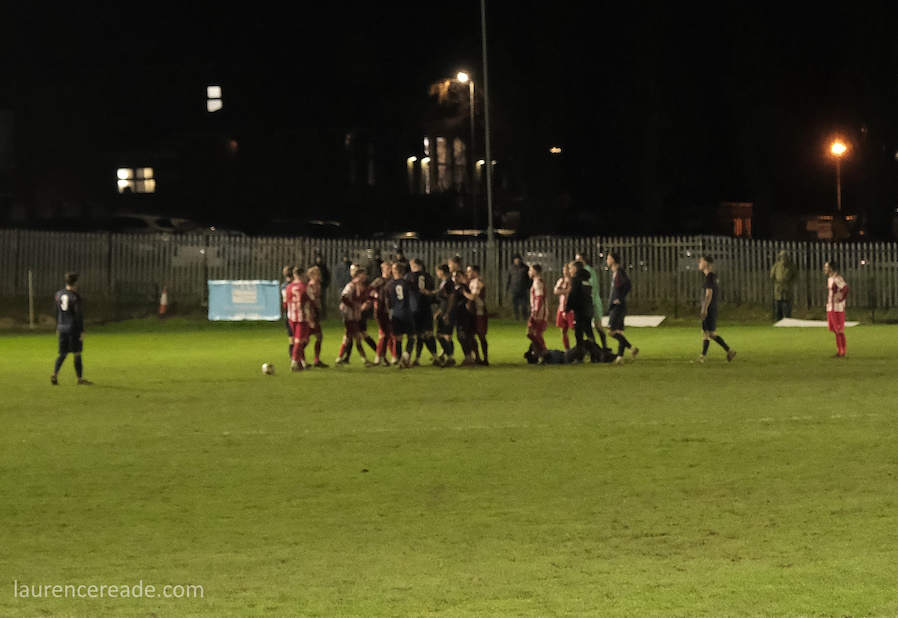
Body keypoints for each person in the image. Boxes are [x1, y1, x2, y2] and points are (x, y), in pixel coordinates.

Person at [51, 272, 91, 385]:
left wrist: (58, 325)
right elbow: (78, 314)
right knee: (77, 353)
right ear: (76, 282)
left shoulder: (58, 294)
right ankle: (79, 379)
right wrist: (82, 330)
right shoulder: (75, 296)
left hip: (61, 327)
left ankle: (55, 374)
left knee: (62, 353)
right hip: (73, 327)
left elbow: (56, 311)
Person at [697, 255, 736, 363]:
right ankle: (729, 351)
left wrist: (704, 308)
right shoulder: (712, 277)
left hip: (709, 308)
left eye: (701, 261)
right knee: (710, 333)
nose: (699, 263)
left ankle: (703, 356)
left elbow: (708, 294)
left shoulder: (709, 277)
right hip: (712, 307)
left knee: (707, 333)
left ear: (706, 264)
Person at [335, 265, 373, 367]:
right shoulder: (351, 285)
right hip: (349, 315)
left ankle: (341, 359)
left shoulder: (361, 286)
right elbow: (344, 297)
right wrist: (353, 306)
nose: (365, 277)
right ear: (358, 275)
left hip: (355, 315)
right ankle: (364, 360)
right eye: (363, 275)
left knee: (351, 337)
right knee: (354, 337)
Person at [606, 251, 639, 364]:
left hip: (618, 307)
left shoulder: (619, 272)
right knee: (619, 332)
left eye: (608, 259)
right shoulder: (615, 273)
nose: (607, 261)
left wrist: (619, 298)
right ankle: (620, 357)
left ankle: (632, 348)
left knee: (611, 331)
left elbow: (628, 284)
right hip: (618, 306)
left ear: (613, 260)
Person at [384, 262, 417, 368]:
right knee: (412, 337)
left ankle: (399, 360)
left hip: (395, 313)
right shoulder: (408, 283)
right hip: (406, 312)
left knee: (398, 338)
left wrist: (389, 312)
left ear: (394, 272)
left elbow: (387, 301)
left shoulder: (389, 285)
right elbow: (413, 297)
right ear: (403, 272)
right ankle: (405, 357)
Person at [408, 258, 439, 366]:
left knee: (419, 335)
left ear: (414, 265)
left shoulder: (410, 276)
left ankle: (416, 358)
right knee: (429, 334)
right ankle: (435, 357)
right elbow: (431, 293)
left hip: (415, 309)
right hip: (426, 309)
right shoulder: (428, 276)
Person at [576, 251, 608, 349]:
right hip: (592, 301)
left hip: (591, 302)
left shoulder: (587, 271)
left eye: (577, 259)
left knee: (593, 326)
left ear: (582, 260)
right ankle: (600, 348)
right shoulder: (589, 270)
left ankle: (600, 348)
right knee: (594, 326)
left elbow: (591, 287)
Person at [565, 261, 596, 361]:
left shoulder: (576, 280)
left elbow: (573, 294)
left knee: (579, 334)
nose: (569, 270)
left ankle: (580, 356)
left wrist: (567, 308)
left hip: (580, 310)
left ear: (575, 269)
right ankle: (595, 355)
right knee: (589, 332)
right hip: (589, 309)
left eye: (571, 268)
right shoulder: (586, 279)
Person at [370, 261, 397, 366]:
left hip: (391, 310)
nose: (389, 270)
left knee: (391, 333)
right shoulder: (379, 281)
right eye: (387, 268)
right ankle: (380, 356)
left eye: (390, 268)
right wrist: (374, 299)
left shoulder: (393, 281)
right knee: (385, 333)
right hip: (380, 310)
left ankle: (387, 356)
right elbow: (370, 292)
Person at [285, 267, 311, 371]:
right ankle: (294, 363)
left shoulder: (288, 287)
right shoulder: (305, 287)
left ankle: (303, 363)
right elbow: (309, 303)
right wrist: (310, 317)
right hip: (302, 318)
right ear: (302, 275)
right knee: (300, 341)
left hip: (291, 317)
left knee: (299, 340)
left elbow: (285, 303)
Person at [824, 260, 850, 358]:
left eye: (826, 267)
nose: (825, 269)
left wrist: (841, 298)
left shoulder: (837, 279)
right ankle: (839, 351)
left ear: (831, 268)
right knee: (835, 330)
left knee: (839, 330)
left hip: (837, 308)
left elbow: (845, 288)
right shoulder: (830, 279)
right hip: (831, 307)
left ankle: (842, 351)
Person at [465, 264, 489, 365]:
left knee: (481, 335)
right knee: (471, 335)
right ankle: (478, 357)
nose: (467, 273)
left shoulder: (477, 282)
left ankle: (484, 358)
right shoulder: (471, 282)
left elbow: (474, 295)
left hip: (479, 312)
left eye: (469, 271)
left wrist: (465, 294)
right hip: (473, 311)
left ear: (474, 272)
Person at [434, 264, 457, 367]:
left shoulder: (448, 283)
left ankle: (450, 358)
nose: (437, 273)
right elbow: (443, 300)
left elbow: (451, 298)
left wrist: (447, 313)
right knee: (440, 335)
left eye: (437, 271)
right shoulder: (444, 283)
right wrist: (439, 312)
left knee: (445, 335)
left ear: (442, 271)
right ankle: (448, 356)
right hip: (443, 311)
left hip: (448, 312)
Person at [305, 266, 328, 367]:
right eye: (317, 274)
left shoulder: (318, 285)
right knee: (305, 339)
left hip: (316, 312)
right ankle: (298, 356)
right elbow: (309, 302)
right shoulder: (310, 286)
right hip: (311, 314)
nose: (320, 275)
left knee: (319, 336)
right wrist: (310, 317)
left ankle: (316, 360)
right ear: (311, 276)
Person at [527, 264, 548, 354]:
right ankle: (536, 352)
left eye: (530, 270)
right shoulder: (538, 281)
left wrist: (536, 312)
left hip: (538, 312)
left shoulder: (537, 283)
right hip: (538, 311)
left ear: (535, 271)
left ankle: (544, 352)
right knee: (533, 333)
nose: (529, 272)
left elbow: (539, 298)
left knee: (536, 333)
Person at [770, 250, 797, 320]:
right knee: (777, 304)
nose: (784, 258)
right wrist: (776, 282)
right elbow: (772, 276)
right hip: (778, 287)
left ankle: (787, 318)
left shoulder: (791, 266)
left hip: (787, 287)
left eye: (785, 257)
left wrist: (790, 283)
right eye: (782, 257)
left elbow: (795, 276)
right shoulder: (776, 266)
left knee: (786, 304)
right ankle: (777, 318)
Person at [553, 263, 574, 350]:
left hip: (571, 309)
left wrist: (562, 291)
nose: (565, 272)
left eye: (567, 270)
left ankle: (579, 348)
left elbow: (571, 292)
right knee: (563, 330)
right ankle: (567, 349)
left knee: (574, 328)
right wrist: (566, 291)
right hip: (562, 308)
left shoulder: (573, 281)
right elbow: (556, 291)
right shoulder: (561, 281)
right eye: (564, 270)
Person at [505, 254, 530, 320]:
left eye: (518, 259)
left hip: (523, 290)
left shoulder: (525, 268)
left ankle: (525, 318)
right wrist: (507, 289)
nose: (517, 260)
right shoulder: (511, 268)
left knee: (524, 306)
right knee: (515, 306)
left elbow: (529, 279)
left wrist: (528, 287)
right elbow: (508, 279)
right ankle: (516, 318)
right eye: (516, 259)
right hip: (514, 289)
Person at [280, 265, 296, 361]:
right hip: (291, 315)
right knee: (293, 338)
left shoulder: (285, 285)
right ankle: (294, 358)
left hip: (289, 314)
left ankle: (296, 358)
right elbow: (286, 301)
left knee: (293, 338)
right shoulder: (288, 286)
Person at [312, 251, 331, 319]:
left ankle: (323, 315)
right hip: (315, 287)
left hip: (322, 286)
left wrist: (324, 284)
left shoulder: (323, 267)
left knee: (322, 301)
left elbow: (327, 277)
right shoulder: (313, 266)